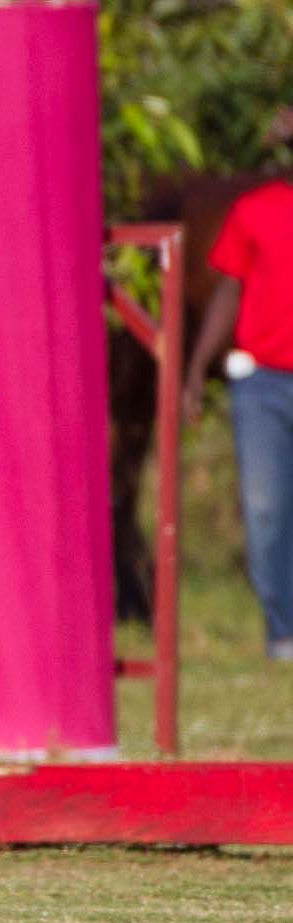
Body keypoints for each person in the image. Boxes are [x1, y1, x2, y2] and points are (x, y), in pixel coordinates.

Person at [184, 166, 293, 661]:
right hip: (262, 386)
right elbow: (228, 292)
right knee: (266, 512)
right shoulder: (255, 209)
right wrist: (195, 370)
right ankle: (284, 634)